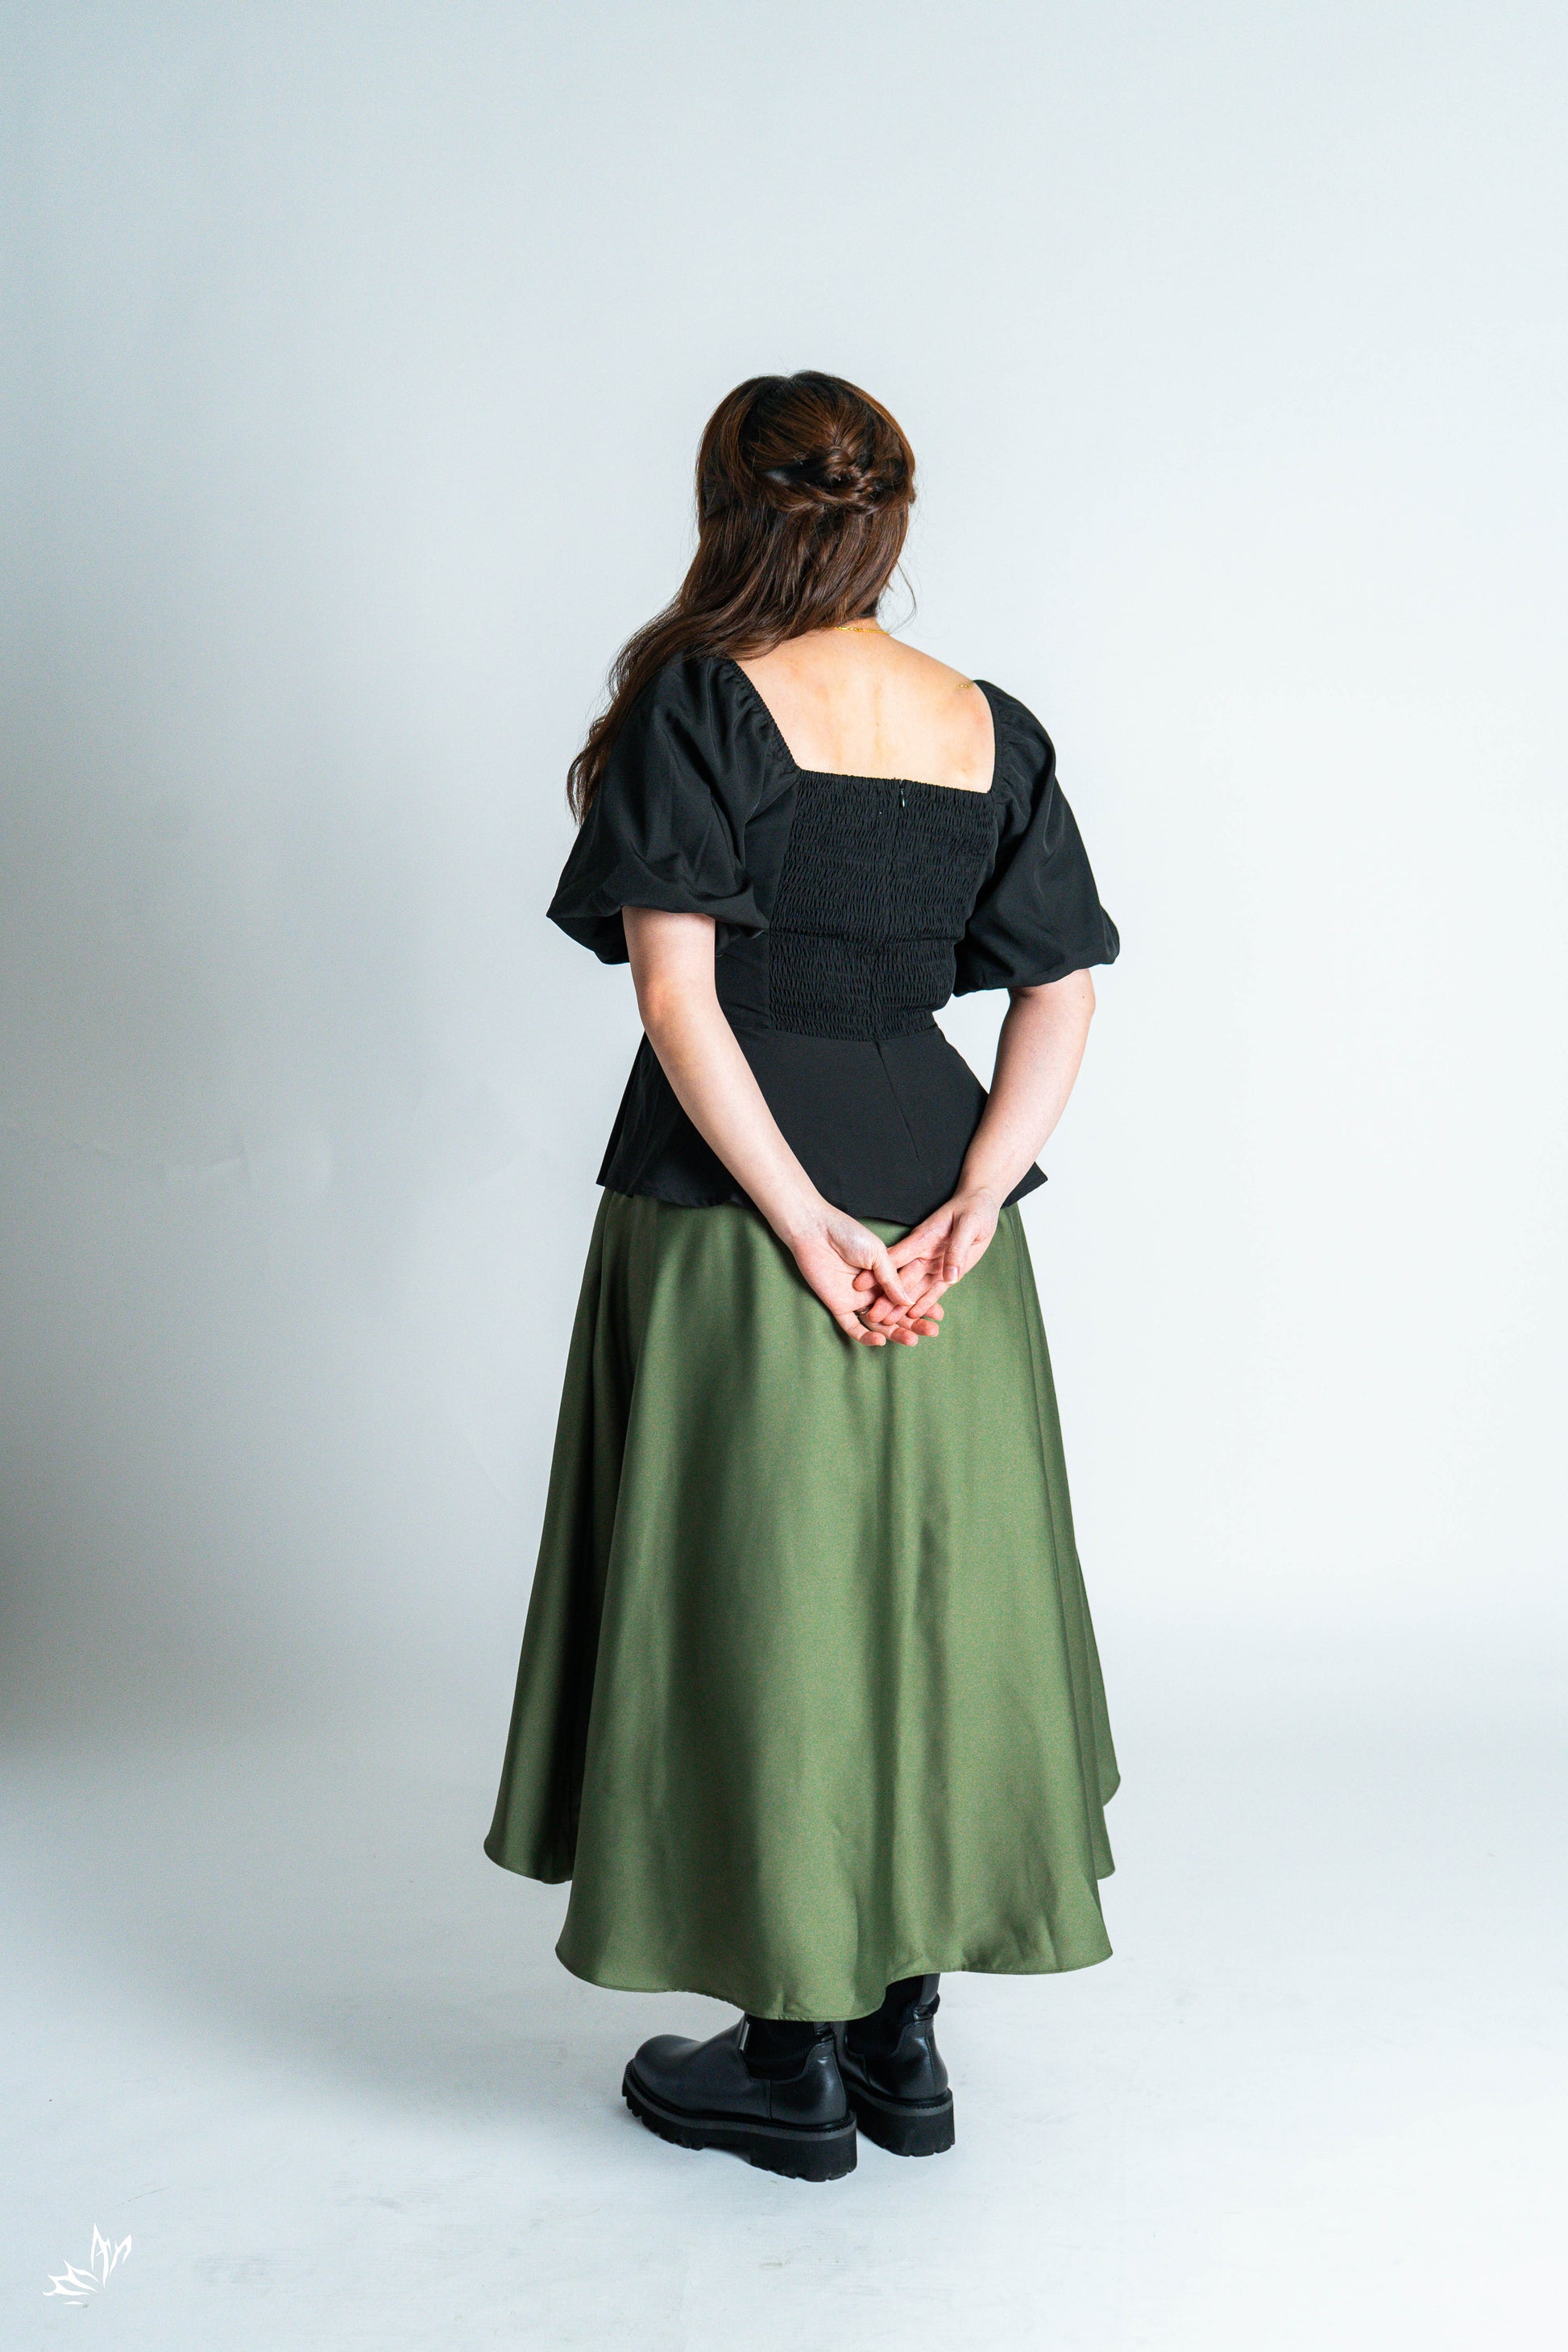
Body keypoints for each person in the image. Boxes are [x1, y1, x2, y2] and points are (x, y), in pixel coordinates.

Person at [484, 371, 1121, 2181]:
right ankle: (900, 2040)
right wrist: (973, 1196)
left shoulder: (702, 700)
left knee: (764, 1604)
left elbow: (677, 996)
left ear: (727, 507)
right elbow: (1061, 984)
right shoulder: (988, 724)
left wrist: (798, 1221)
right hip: (942, 1231)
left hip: (733, 1215)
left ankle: (789, 2063)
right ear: (886, 516)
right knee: (929, 1605)